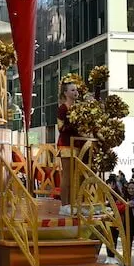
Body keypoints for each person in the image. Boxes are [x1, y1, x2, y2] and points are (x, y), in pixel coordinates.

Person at [55, 79, 80, 209]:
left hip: (76, 144)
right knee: (67, 176)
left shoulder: (78, 108)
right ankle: (64, 204)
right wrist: (74, 123)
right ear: (65, 93)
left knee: (74, 176)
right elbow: (61, 128)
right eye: (72, 90)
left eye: (76, 90)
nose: (76, 92)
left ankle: (72, 203)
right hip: (66, 144)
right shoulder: (62, 108)